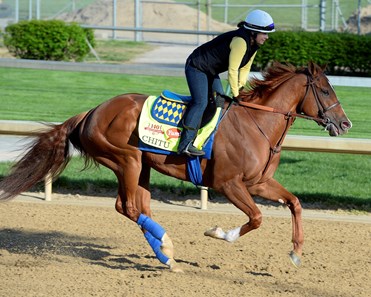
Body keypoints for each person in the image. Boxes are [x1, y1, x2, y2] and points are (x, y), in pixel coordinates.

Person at [177, 9, 275, 157]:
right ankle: (184, 144)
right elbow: (232, 70)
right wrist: (236, 94)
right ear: (254, 32)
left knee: (218, 101)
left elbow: (245, 68)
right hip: (196, 66)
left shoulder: (254, 45)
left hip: (209, 70)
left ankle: (201, 137)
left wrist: (240, 88)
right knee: (201, 102)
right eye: (264, 33)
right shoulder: (240, 41)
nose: (267, 37)